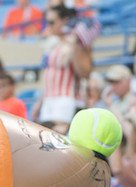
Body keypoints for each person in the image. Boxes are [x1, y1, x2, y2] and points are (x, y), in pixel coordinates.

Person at [37, 4, 93, 133]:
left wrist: (73, 50)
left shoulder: (74, 42)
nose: (48, 26)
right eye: (47, 22)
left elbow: (85, 72)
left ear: (64, 21)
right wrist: (40, 102)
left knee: (58, 137)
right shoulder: (50, 43)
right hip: (48, 98)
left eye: (51, 22)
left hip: (65, 98)